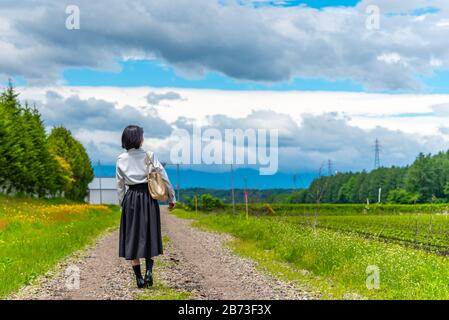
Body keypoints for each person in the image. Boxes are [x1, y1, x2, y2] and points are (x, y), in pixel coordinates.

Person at [116, 125, 176, 288]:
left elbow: (120, 186)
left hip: (131, 198)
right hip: (148, 197)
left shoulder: (121, 159)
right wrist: (172, 196)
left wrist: (123, 204)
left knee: (132, 237)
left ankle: (139, 279)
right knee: (149, 233)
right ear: (139, 139)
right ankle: (149, 272)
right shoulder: (149, 155)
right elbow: (163, 175)